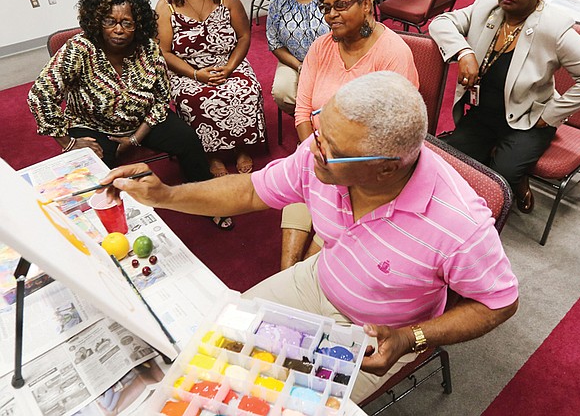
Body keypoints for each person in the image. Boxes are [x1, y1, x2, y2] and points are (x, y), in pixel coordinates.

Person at [100, 71, 519, 404]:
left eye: (332, 148)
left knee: (280, 403)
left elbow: (498, 303)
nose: (313, 148)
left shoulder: (459, 224)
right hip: (317, 279)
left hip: (380, 331)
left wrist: (414, 338)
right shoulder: (320, 155)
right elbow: (248, 189)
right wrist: (166, 195)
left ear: (386, 168)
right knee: (215, 349)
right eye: (320, 131)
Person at [27, 0, 233, 231]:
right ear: (96, 21)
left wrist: (135, 138)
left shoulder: (147, 48)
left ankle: (204, 199)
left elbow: (160, 98)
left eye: (127, 23)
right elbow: (40, 94)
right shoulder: (79, 49)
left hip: (142, 120)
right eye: (110, 21)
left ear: (138, 25)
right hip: (93, 125)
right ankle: (108, 217)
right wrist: (69, 142)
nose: (118, 29)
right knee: (93, 165)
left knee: (187, 139)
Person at [429, 0, 580, 213]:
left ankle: (516, 180)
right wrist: (465, 52)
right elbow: (441, 23)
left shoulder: (553, 27)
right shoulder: (487, 5)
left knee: (499, 178)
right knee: (451, 164)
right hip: (483, 114)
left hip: (528, 121)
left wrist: (553, 113)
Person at [281, 0, 421, 270]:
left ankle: (306, 270)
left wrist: (341, 171)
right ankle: (290, 273)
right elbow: (303, 112)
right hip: (319, 156)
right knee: (290, 259)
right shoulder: (320, 47)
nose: (331, 15)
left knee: (312, 265)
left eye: (341, 5)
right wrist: (314, 155)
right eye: (326, 7)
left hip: (364, 171)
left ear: (367, 4)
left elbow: (395, 139)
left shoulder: (393, 54)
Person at [156, 0, 266, 178]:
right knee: (193, 98)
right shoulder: (167, 6)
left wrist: (230, 68)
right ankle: (212, 154)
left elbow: (245, 36)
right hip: (188, 70)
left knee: (246, 89)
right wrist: (195, 74)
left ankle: (240, 147)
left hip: (229, 63)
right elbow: (163, 52)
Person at [266, 0, 330, 116]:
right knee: (282, 93)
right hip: (294, 61)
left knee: (327, 95)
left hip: (330, 62)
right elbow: (274, 42)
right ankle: (308, 120)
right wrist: (300, 67)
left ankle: (322, 122)